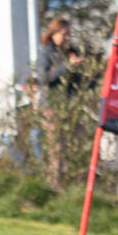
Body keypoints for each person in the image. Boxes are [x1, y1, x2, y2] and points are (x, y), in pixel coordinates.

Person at [32, 18, 85, 188]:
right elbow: (44, 78)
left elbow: (78, 81)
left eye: (69, 34)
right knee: (56, 149)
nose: (68, 37)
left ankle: (73, 187)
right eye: (64, 34)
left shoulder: (71, 52)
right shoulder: (46, 52)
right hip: (53, 106)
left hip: (72, 107)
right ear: (53, 34)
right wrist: (67, 66)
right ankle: (54, 187)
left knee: (76, 144)